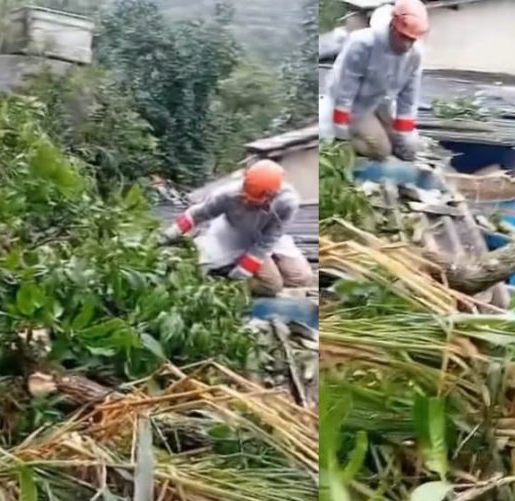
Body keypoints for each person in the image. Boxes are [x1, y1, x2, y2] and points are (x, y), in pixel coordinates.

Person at [159, 159, 313, 297]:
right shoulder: (228, 194)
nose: (247, 202)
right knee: (272, 286)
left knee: (302, 278)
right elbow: (199, 213)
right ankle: (225, 282)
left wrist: (245, 269)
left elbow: (269, 239)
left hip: (266, 238)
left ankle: (262, 267)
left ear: (272, 195)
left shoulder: (287, 202)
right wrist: (169, 234)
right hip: (235, 234)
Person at [320, 0, 428, 162]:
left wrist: (405, 136)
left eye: (411, 40)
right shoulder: (363, 44)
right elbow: (345, 88)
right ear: (393, 26)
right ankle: (348, 144)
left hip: (380, 104)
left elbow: (408, 98)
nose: (407, 45)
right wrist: (340, 129)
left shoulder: (414, 55)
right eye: (403, 37)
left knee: (408, 148)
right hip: (356, 107)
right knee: (382, 150)